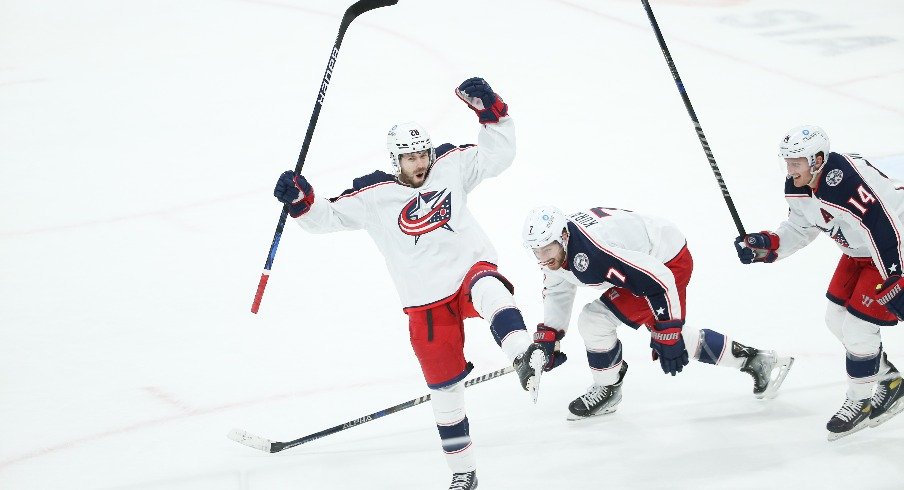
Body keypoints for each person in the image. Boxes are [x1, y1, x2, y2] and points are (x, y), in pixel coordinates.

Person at [273, 77, 546, 490]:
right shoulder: (373, 195)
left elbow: (498, 155)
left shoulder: (451, 164)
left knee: (489, 287)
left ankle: (524, 353)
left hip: (469, 271)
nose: (420, 163)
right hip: (424, 302)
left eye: (423, 153)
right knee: (445, 390)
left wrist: (493, 112)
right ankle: (463, 471)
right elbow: (326, 217)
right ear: (395, 159)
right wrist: (301, 202)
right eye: (410, 157)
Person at [520, 204, 794, 421]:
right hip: (646, 260)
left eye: (547, 249)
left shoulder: (593, 250)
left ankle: (609, 388)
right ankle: (758, 361)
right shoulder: (558, 244)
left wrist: (668, 328)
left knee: (601, 321)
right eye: (536, 252)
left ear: (564, 236)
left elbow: (658, 278)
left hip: (666, 262)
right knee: (657, 334)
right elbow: (558, 288)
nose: (542, 258)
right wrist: (549, 336)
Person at [735, 125, 904, 440]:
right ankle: (888, 380)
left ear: (818, 159)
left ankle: (860, 402)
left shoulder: (845, 181)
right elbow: (800, 228)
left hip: (894, 243)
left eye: (796, 162)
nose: (789, 169)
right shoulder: (797, 184)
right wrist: (766, 245)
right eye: (787, 162)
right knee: (835, 319)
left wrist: (895, 274)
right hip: (859, 251)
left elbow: (884, 225)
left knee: (858, 329)